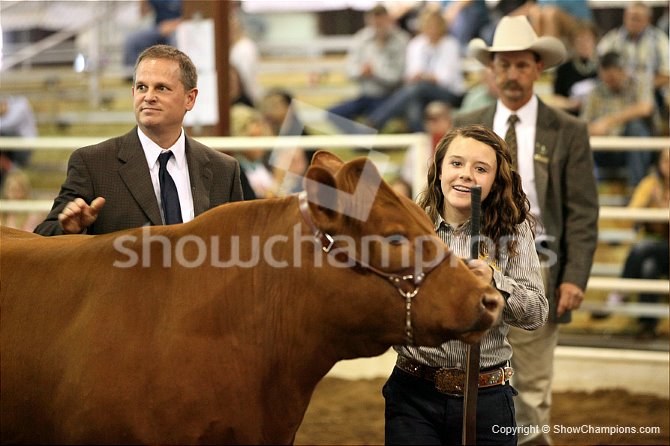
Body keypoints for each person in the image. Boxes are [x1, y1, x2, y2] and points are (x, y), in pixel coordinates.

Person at [454, 16, 599, 445]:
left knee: (531, 388)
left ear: (538, 68)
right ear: (492, 69)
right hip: (471, 262)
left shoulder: (567, 131)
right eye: (503, 65)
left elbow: (582, 211)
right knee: (466, 381)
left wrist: (574, 276)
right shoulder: (469, 123)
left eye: (521, 65)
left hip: (540, 264)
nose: (511, 75)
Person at [385, 124, 547, 445]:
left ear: (495, 180)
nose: (466, 175)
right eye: (456, 163)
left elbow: (535, 314)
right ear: (439, 169)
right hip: (413, 393)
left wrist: (495, 282)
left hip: (486, 398)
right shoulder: (411, 228)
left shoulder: (512, 234)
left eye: (481, 168)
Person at [34, 44, 243, 236]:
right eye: (142, 87)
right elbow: (43, 235)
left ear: (190, 99)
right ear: (133, 93)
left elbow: (240, 244)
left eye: (161, 88)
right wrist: (68, 228)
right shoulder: (92, 164)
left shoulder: (224, 170)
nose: (149, 97)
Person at [597, 148, 669, 339]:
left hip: (655, 246)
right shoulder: (651, 184)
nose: (668, 166)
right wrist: (647, 202)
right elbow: (629, 217)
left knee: (642, 247)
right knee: (648, 267)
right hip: (656, 250)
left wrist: (661, 207)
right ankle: (647, 326)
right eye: (665, 161)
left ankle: (620, 292)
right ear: (659, 164)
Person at [366, 8, 465, 133]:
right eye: (428, 25)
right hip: (420, 90)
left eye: (434, 25)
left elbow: (445, 79)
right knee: (414, 98)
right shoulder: (416, 44)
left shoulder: (450, 45)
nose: (432, 28)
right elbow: (410, 75)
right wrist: (420, 77)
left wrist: (423, 77)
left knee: (417, 88)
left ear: (441, 26)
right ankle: (421, 136)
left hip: (450, 93)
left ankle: (373, 123)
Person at [327, 4, 409, 134]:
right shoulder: (361, 39)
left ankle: (366, 139)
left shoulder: (400, 40)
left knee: (380, 115)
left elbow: (397, 77)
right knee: (332, 113)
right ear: (368, 21)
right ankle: (361, 140)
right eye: (374, 22)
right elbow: (349, 71)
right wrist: (361, 72)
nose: (378, 25)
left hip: (390, 98)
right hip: (365, 97)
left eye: (380, 21)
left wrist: (375, 73)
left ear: (388, 19)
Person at [581, 51, 655, 188]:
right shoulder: (595, 92)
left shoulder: (638, 84)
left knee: (636, 127)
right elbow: (582, 126)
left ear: (623, 72)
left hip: (632, 147)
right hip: (604, 149)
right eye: (606, 79)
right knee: (579, 142)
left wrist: (608, 121)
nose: (609, 83)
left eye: (613, 79)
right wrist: (595, 129)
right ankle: (584, 196)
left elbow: (645, 108)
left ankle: (636, 191)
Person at [597, 2, 669, 121]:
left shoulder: (660, 40)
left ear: (648, 20)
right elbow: (599, 66)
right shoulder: (611, 40)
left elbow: (667, 75)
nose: (633, 21)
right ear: (624, 17)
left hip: (649, 92)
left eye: (637, 18)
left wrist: (640, 85)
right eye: (630, 17)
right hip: (615, 90)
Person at [550, 21, 598, 116]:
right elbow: (555, 99)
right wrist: (570, 104)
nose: (584, 44)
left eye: (587, 40)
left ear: (595, 41)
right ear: (572, 43)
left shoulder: (603, 67)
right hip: (572, 118)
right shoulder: (564, 69)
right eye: (579, 40)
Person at [123, 0, 183, 77]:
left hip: (178, 29)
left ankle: (175, 74)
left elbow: (191, 16)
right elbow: (143, 13)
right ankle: (133, 75)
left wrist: (172, 25)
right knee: (132, 40)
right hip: (158, 29)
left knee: (175, 40)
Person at [0, 95, 37, 184]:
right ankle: (7, 165)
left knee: (6, 134)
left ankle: (10, 166)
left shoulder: (21, 105)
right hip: (10, 151)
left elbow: (9, 124)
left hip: (24, 149)